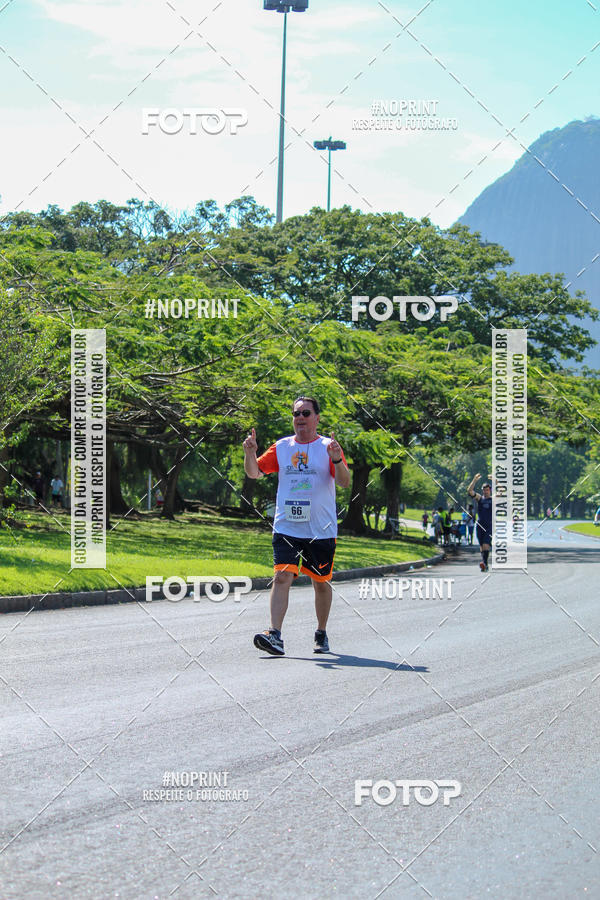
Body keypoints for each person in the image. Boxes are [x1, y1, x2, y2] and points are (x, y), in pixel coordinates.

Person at [243, 396, 351, 657]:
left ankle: (321, 632)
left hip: (320, 530)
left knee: (320, 583)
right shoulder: (282, 447)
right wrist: (250, 453)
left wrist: (337, 460)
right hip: (287, 526)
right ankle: (275, 634)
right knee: (281, 577)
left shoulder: (328, 447)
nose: (300, 418)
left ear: (316, 417)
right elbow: (254, 473)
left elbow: (345, 482)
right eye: (296, 414)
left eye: (305, 413)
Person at [468, 473, 492, 571]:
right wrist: (474, 480)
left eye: (487, 490)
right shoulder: (480, 498)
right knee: (482, 546)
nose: (485, 492)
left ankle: (485, 564)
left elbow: (502, 491)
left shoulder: (493, 499)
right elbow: (470, 491)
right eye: (484, 490)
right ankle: (485, 564)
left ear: (490, 490)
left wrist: (495, 481)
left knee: (486, 544)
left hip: (489, 526)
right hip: (479, 525)